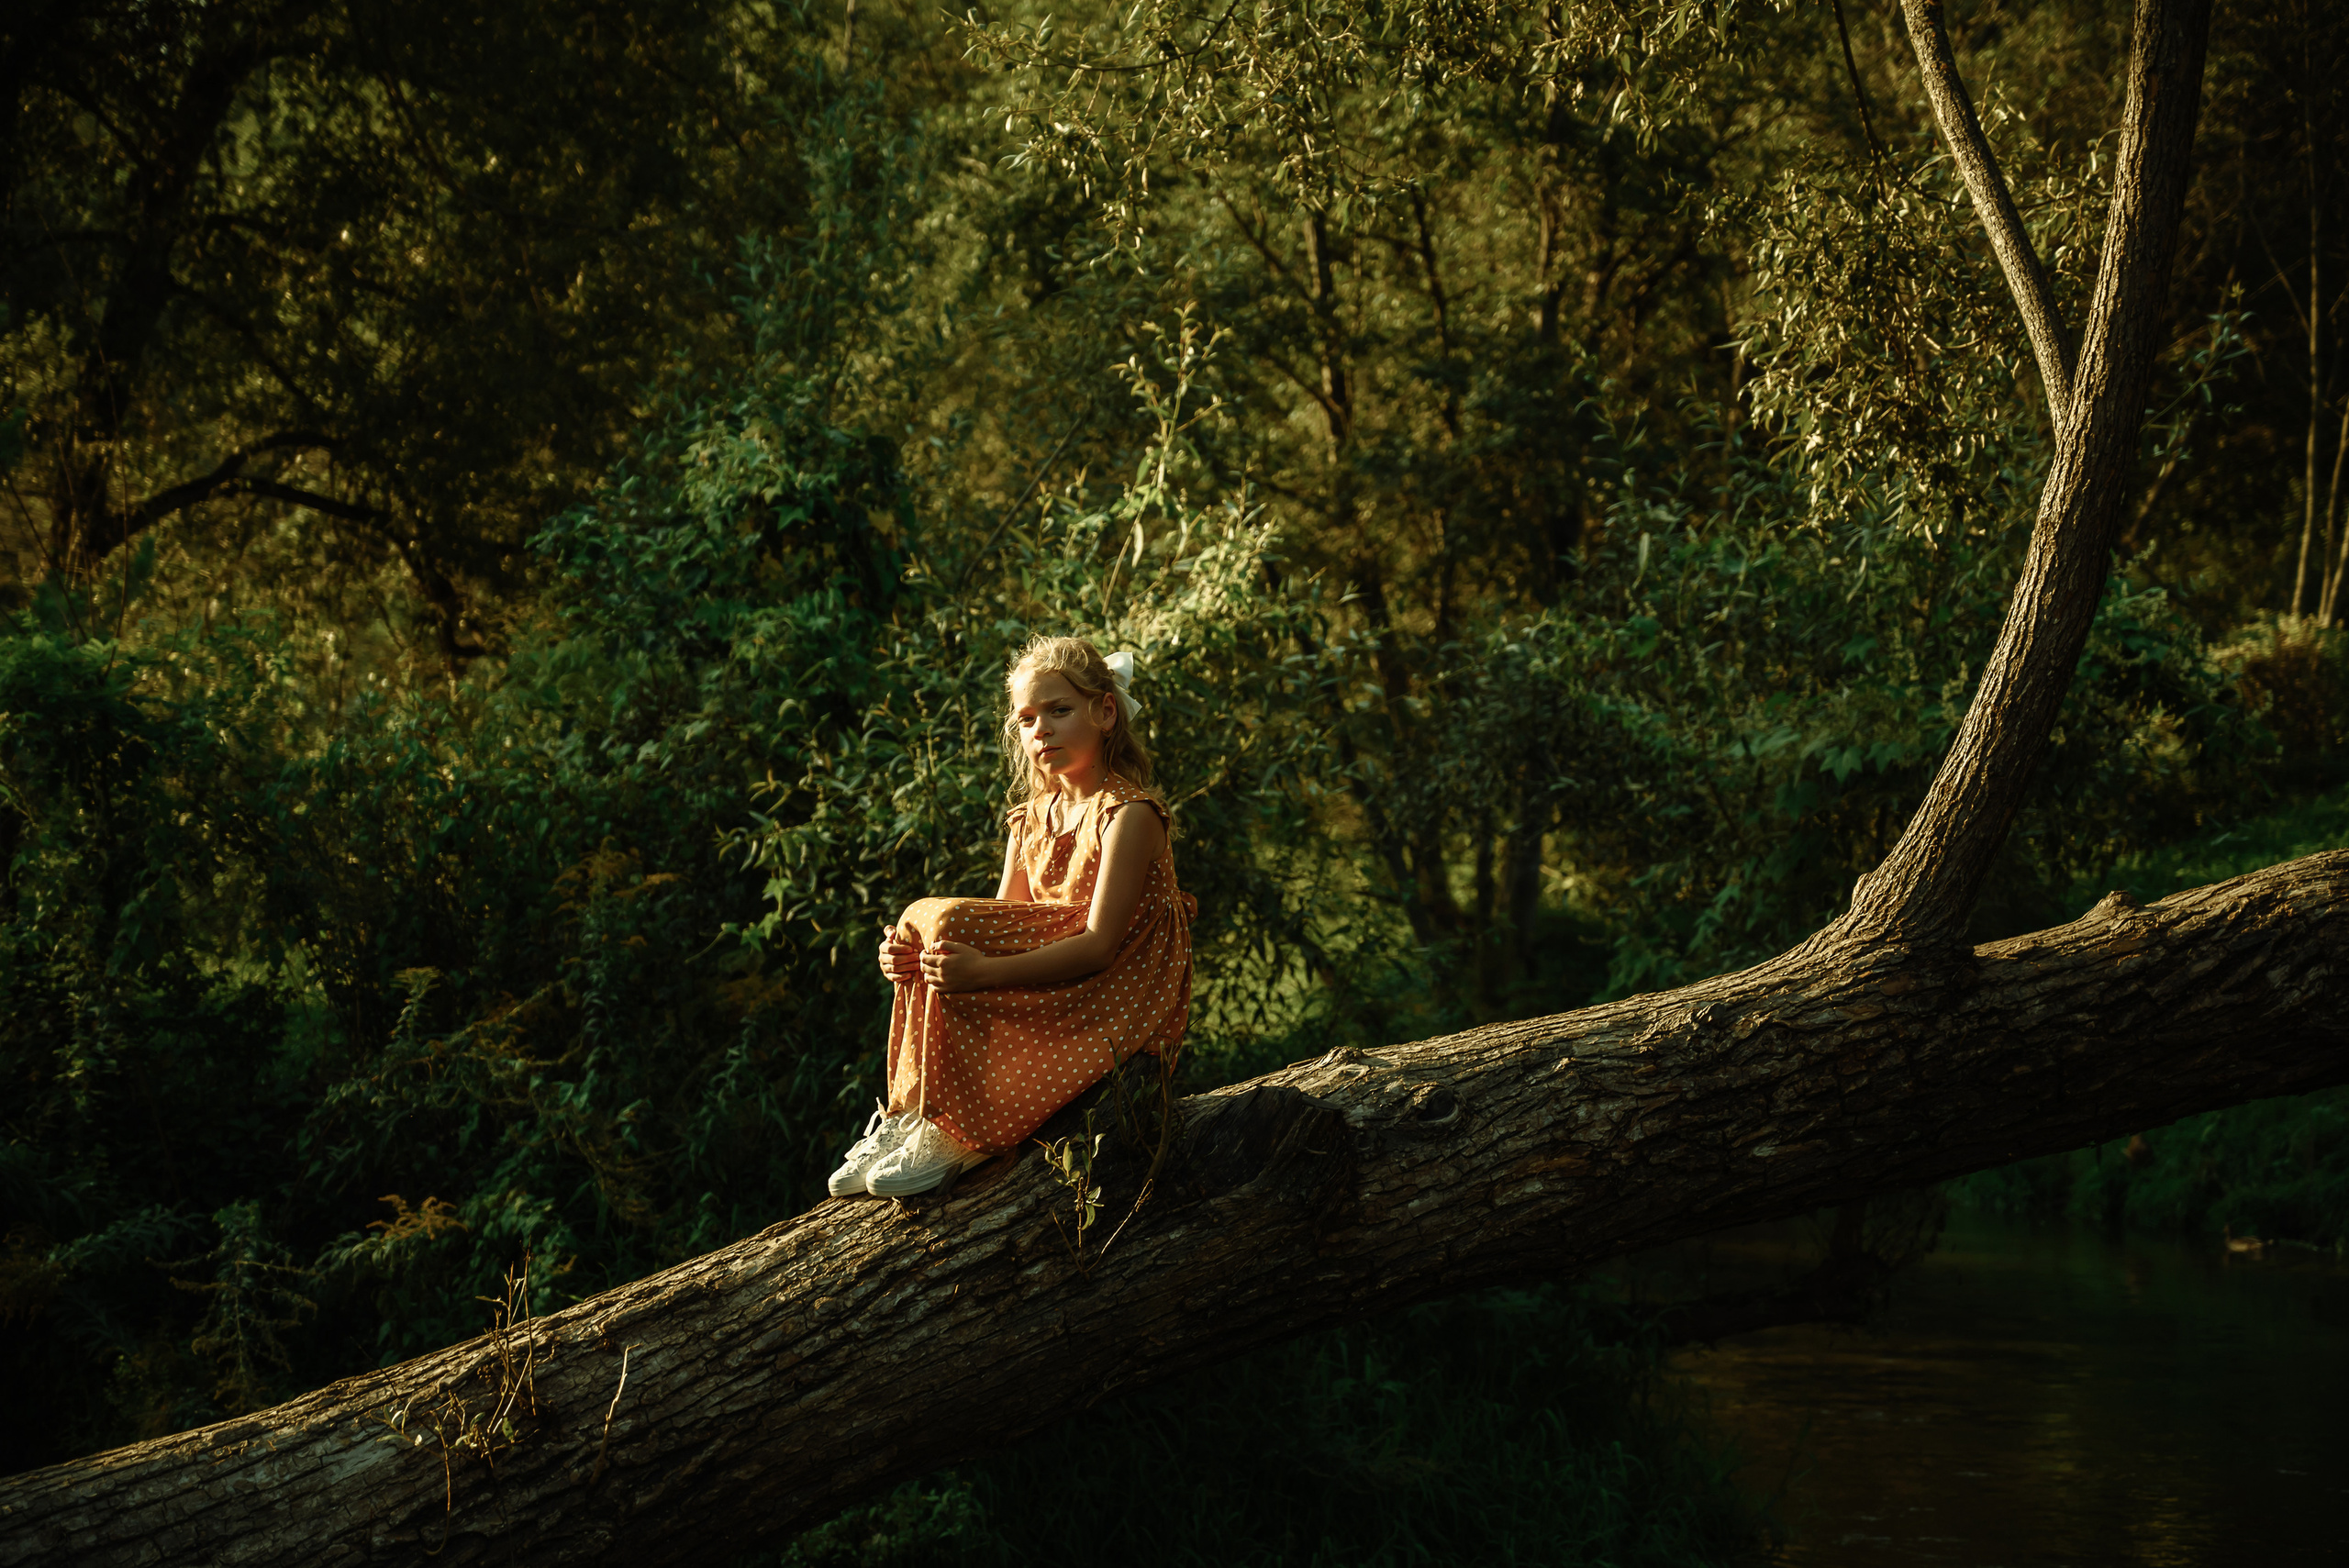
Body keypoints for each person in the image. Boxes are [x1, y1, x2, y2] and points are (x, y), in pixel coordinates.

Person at [828, 636, 1197, 1198]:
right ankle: (915, 1112)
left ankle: (962, 1130)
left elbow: (1100, 945)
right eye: (1026, 719)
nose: (1040, 729)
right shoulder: (1029, 819)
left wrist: (983, 973)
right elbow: (1005, 921)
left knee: (945, 924)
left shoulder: (1129, 816)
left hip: (1118, 983)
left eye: (1059, 710)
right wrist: (911, 952)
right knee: (924, 927)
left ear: (1104, 712)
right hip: (1060, 966)